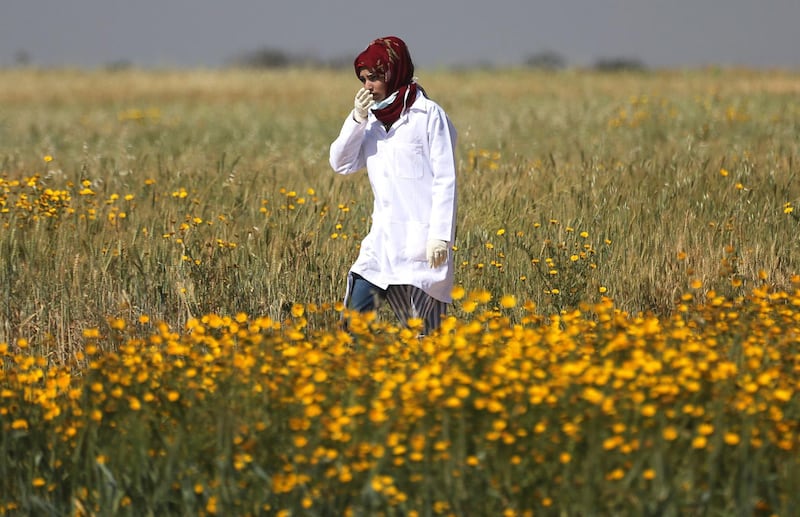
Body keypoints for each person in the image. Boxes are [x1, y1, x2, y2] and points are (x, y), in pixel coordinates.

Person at [329, 36, 458, 336]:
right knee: (353, 327)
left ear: (393, 72)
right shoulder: (370, 123)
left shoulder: (428, 116)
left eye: (374, 77)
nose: (367, 87)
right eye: (363, 79)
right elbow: (341, 163)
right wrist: (356, 119)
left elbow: (445, 179)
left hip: (421, 247)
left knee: (425, 335)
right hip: (382, 243)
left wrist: (440, 236)